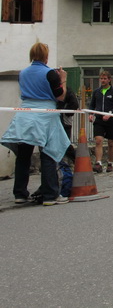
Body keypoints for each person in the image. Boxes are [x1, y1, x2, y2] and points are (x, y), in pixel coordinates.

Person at [1, 42, 70, 206]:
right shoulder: (50, 73)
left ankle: (20, 193)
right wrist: (63, 79)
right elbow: (60, 96)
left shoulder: (23, 73)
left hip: (25, 114)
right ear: (46, 56)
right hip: (45, 115)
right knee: (48, 154)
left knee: (23, 156)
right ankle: (50, 195)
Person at [88, 71, 113, 173]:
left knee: (111, 143)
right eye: (101, 79)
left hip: (111, 120)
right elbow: (92, 105)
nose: (103, 80)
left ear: (109, 79)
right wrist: (91, 114)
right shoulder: (96, 91)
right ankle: (98, 163)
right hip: (99, 119)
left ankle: (110, 163)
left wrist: (110, 113)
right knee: (98, 141)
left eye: (105, 79)